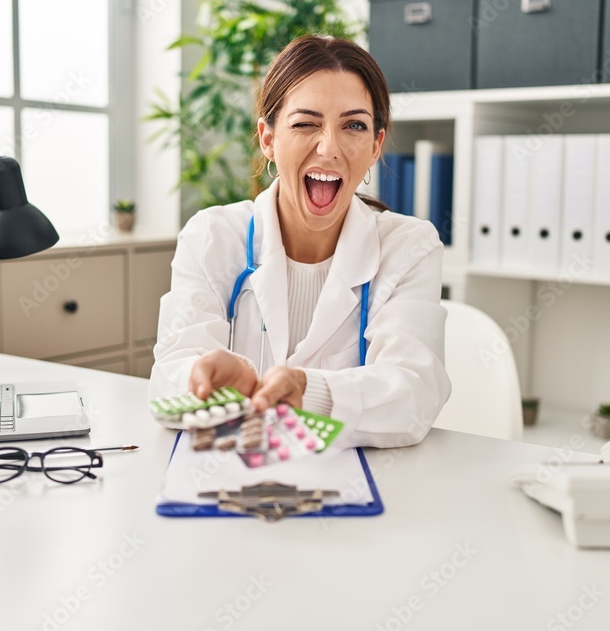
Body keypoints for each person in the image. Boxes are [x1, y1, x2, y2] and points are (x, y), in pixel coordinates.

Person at [148, 34, 450, 448]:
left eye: (354, 126)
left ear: (376, 145)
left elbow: (414, 393)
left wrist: (310, 391)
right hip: (235, 477)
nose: (328, 148)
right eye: (305, 123)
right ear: (268, 139)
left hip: (356, 485)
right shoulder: (212, 236)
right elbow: (168, 379)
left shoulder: (409, 247)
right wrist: (210, 381)